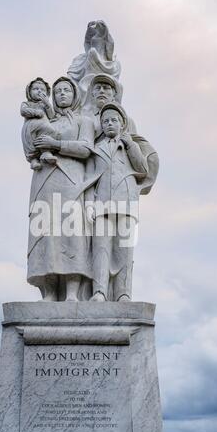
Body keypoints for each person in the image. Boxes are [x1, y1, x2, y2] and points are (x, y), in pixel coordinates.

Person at [26, 76, 95, 301]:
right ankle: (50, 291)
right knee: (47, 233)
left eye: (66, 90)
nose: (62, 94)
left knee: (72, 233)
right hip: (44, 180)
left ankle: (73, 291)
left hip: (71, 182)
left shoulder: (83, 121)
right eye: (57, 92)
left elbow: (86, 149)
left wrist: (55, 145)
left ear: (74, 94)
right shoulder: (46, 120)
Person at [85, 102, 149, 302]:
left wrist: (130, 144)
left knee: (124, 250)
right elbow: (88, 178)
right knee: (101, 249)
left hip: (126, 203)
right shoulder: (96, 149)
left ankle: (123, 293)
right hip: (102, 204)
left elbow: (143, 169)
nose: (110, 124)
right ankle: (100, 291)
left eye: (114, 120)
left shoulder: (130, 146)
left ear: (122, 124)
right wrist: (88, 203)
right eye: (105, 121)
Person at [21, 77, 58, 171]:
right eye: (35, 89)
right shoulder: (27, 103)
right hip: (30, 127)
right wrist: (36, 112)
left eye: (42, 90)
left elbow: (52, 116)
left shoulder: (45, 105)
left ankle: (46, 152)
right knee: (30, 143)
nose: (39, 91)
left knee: (51, 132)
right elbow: (23, 111)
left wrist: (47, 105)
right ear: (29, 92)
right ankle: (33, 160)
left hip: (44, 126)